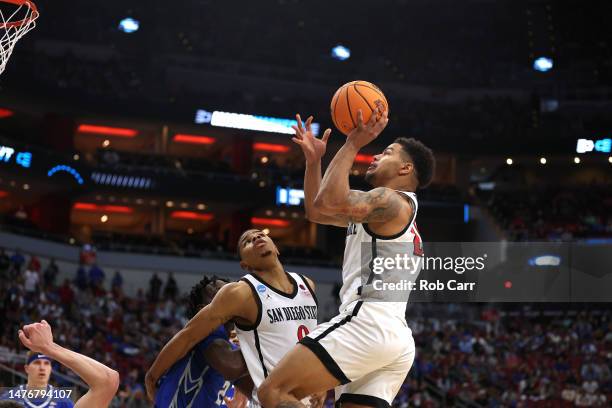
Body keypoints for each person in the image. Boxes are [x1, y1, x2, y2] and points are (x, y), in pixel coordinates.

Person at [258, 107, 435, 407]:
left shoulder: (391, 202)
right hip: (395, 338)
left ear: (405, 169)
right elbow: (318, 210)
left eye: (387, 152)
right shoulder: (380, 209)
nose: (376, 156)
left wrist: (352, 143)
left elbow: (330, 199)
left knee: (272, 393)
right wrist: (314, 162)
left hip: (366, 323)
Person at [146, 229, 320, 407]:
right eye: (247, 241)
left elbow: (311, 341)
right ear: (244, 264)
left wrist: (320, 381)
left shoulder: (307, 284)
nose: (256, 237)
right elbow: (190, 337)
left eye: (261, 234)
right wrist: (152, 375)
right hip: (276, 399)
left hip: (304, 394)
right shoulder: (241, 294)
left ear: (276, 247)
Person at [152, 274, 251, 408]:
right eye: (217, 290)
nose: (228, 292)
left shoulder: (234, 341)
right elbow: (230, 365)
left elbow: (256, 390)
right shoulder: (207, 333)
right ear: (202, 309)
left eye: (229, 289)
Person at [1, 320, 119, 408]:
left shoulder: (62, 399)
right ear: (26, 368)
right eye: (37, 363)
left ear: (51, 368)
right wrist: (50, 348)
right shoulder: (9, 397)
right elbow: (108, 381)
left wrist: (50, 348)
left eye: (46, 364)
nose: (42, 367)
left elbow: (108, 381)